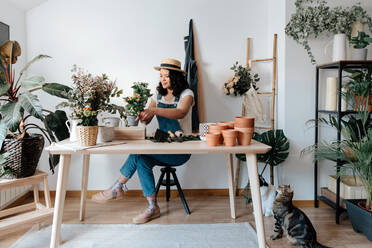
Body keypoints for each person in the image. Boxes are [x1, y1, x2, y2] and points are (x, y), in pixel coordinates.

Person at [92, 58, 194, 224]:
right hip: (163, 145)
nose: (163, 79)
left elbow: (181, 112)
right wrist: (141, 115)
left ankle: (117, 188)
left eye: (166, 76)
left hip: (181, 148)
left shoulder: (186, 94)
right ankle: (152, 207)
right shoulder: (158, 95)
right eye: (161, 76)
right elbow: (146, 119)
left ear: (175, 77)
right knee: (142, 160)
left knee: (139, 154)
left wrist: (153, 109)